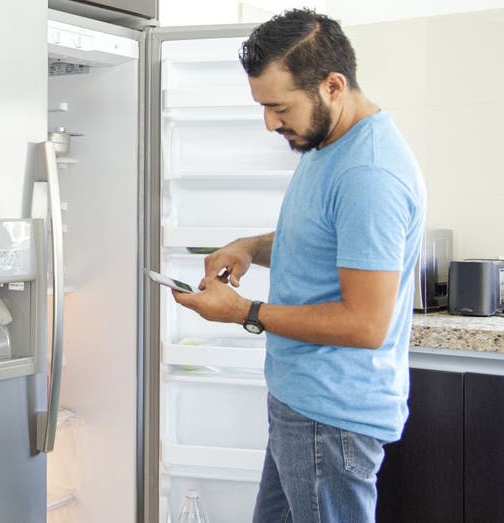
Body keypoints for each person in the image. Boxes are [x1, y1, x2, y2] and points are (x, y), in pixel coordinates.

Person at [170, 8, 426, 523]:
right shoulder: (326, 143)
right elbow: (318, 239)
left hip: (330, 418)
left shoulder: (368, 174)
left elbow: (365, 323)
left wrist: (244, 310)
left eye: (279, 107)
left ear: (333, 85)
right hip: (304, 406)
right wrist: (248, 247)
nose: (270, 123)